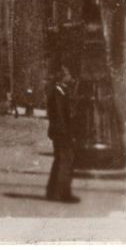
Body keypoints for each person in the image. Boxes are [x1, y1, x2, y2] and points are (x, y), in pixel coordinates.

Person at [45, 66, 81, 204]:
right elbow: (59, 116)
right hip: (61, 132)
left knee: (61, 160)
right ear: (62, 77)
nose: (70, 77)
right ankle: (60, 193)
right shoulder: (57, 93)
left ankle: (54, 191)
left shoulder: (62, 92)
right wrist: (66, 133)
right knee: (64, 160)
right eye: (67, 74)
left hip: (62, 131)